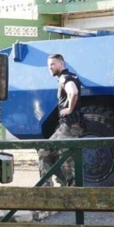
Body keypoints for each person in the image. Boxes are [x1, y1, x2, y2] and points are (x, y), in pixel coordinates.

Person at [38, 53, 85, 187]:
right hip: (72, 125)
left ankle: (46, 188)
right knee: (65, 158)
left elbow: (73, 92)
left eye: (53, 64)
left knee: (44, 150)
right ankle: (67, 187)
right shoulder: (71, 76)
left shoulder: (64, 78)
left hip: (70, 125)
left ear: (61, 64)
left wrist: (69, 109)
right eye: (48, 65)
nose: (50, 68)